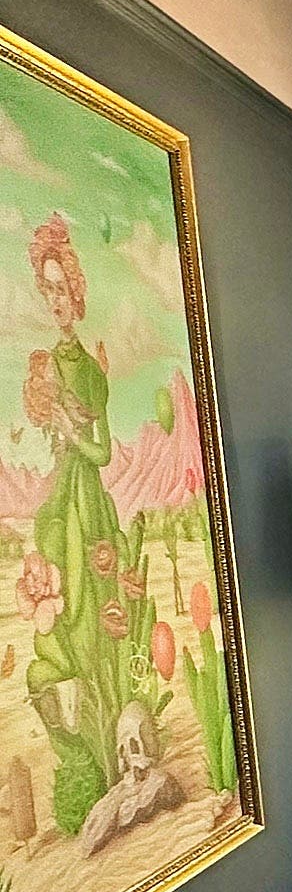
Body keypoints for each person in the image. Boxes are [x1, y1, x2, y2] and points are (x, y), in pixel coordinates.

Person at [22, 211, 144, 835]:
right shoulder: (46, 364)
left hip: (88, 505)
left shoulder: (89, 373)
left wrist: (73, 429)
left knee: (97, 623)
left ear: (77, 291)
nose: (55, 300)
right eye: (46, 290)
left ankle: (110, 743)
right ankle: (79, 754)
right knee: (61, 620)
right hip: (61, 506)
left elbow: (100, 453)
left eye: (61, 288)